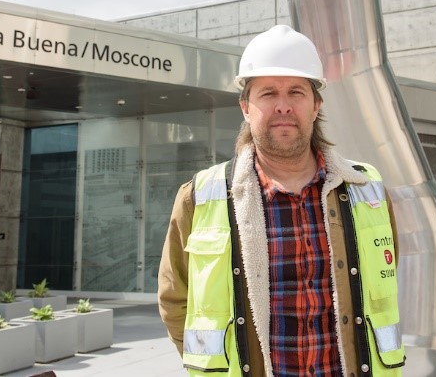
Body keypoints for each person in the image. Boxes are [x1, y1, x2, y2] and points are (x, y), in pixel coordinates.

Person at [158, 25, 406, 377]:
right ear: (245, 106)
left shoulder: (367, 189)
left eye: (296, 92)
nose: (283, 106)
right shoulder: (199, 197)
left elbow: (386, 272)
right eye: (268, 93)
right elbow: (174, 299)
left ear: (316, 104)